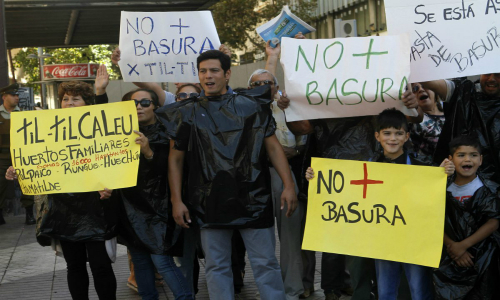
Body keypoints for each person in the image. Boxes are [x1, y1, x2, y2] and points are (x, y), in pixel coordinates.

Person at [271, 32, 421, 299]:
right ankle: (333, 288)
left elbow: (410, 119)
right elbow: (303, 127)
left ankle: (365, 287)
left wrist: (412, 104)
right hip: (336, 172)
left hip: (375, 168)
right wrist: (289, 106)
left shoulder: (378, 90)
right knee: (335, 234)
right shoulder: (321, 92)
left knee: (372, 234)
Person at [160, 49, 297, 300]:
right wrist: (176, 200)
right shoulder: (185, 112)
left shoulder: (252, 105)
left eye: (214, 70)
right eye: (203, 71)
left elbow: (273, 147)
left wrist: (289, 185)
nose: (207, 76)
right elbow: (175, 159)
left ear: (227, 74)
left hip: (253, 196)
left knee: (265, 263)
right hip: (208, 201)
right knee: (216, 266)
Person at [305, 108, 455, 300]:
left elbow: (434, 192)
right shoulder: (367, 166)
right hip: (383, 243)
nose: (393, 138)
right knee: (385, 292)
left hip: (414, 241)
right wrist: (315, 176)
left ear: (407, 136)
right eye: (387, 133)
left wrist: (444, 173)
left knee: (419, 291)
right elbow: (345, 190)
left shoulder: (421, 166)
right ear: (377, 136)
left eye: (398, 133)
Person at [6, 79, 117, 300]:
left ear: (88, 103)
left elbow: (107, 123)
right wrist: (17, 169)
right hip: (63, 208)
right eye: (65, 99)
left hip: (96, 207)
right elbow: (34, 157)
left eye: (76, 99)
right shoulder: (48, 127)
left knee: (100, 265)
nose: (69, 103)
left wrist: (101, 91)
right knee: (74, 265)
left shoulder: (100, 126)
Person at [118, 88, 193, 300]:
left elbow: (173, 169)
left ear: (155, 106)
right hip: (131, 206)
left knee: (162, 260)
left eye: (145, 102)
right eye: (133, 103)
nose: (139, 107)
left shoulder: (168, 130)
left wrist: (149, 152)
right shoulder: (119, 132)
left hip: (160, 207)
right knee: (140, 261)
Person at [248, 67, 306, 300]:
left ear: (276, 85)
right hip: (255, 177)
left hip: (284, 175)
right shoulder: (243, 108)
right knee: (261, 239)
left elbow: (305, 137)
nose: (263, 87)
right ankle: (270, 291)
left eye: (268, 82)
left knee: (291, 236)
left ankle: (292, 290)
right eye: (256, 84)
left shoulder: (289, 105)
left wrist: (290, 152)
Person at [434, 135, 500, 299]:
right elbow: (431, 218)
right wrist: (453, 247)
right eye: (461, 155)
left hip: (480, 257)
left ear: (481, 159)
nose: (467, 159)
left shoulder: (488, 189)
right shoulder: (441, 187)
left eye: (473, 155)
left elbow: (493, 222)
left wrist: (463, 245)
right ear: (450, 159)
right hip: (449, 255)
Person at [422, 73, 500, 182]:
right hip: (457, 181)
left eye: (497, 75)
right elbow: (431, 82)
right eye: (487, 74)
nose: (491, 79)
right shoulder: (463, 91)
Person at [0, 83, 35, 225]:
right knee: (0, 184)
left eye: (17, 95)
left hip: (21, 155)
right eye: (13, 95)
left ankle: (29, 213)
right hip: (2, 156)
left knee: (26, 183)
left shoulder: (23, 114)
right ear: (4, 97)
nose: (16, 97)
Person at [409, 83, 445, 165]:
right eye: (415, 88)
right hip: (426, 171)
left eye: (425, 86)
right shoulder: (411, 119)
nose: (421, 90)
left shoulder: (452, 113)